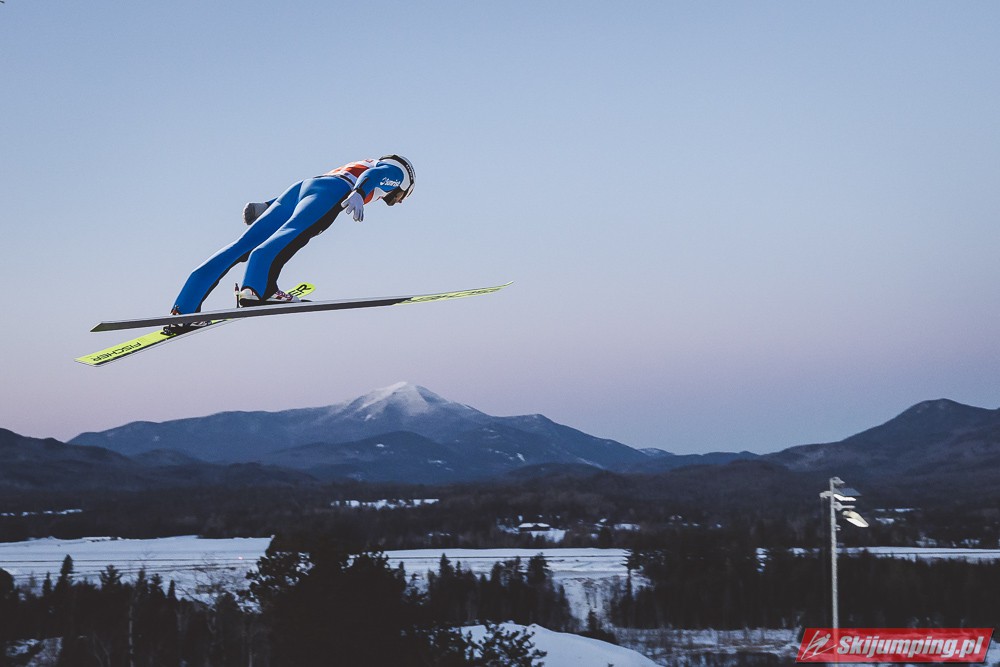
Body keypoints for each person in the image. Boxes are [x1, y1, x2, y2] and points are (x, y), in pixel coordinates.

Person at [165, 155, 415, 331]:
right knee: (292, 234)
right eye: (406, 194)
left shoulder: (361, 162)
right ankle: (258, 290)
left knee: (240, 246)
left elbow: (324, 182)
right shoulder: (397, 172)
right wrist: (359, 193)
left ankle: (184, 308)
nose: (401, 200)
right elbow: (374, 176)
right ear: (405, 184)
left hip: (301, 188)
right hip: (332, 191)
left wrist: (267, 205)